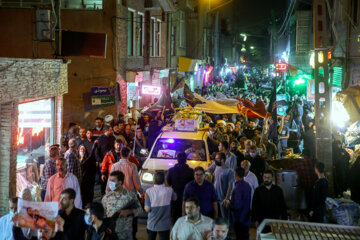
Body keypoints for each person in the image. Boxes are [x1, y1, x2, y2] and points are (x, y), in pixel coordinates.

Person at [102, 171, 142, 240]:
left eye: (112, 181)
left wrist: (129, 211)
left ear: (120, 182)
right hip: (111, 233)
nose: (110, 183)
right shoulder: (106, 197)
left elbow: (140, 210)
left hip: (126, 234)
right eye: (109, 180)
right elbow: (102, 215)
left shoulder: (130, 196)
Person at [145, 172, 177, 240]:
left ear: (153, 180)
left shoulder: (148, 191)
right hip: (164, 225)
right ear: (164, 180)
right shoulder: (169, 190)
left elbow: (147, 209)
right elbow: (175, 198)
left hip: (152, 224)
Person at [167, 152, 194, 222]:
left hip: (175, 197)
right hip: (187, 197)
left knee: (175, 216)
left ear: (177, 159)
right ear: (186, 160)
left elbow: (168, 183)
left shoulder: (171, 170)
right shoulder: (190, 171)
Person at [208, 152, 234, 222]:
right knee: (215, 215)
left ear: (222, 160)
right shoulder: (216, 167)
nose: (215, 160)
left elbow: (230, 186)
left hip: (223, 199)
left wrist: (226, 198)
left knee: (224, 217)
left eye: (217, 159)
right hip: (215, 196)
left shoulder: (229, 171)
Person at [229, 168, 251, 240]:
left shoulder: (238, 187)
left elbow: (237, 206)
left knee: (240, 237)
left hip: (239, 218)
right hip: (246, 217)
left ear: (236, 175)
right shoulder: (247, 185)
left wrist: (229, 204)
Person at [96, 126, 116, 195]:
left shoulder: (113, 138)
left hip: (111, 162)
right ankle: (103, 194)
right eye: (110, 130)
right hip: (103, 162)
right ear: (106, 131)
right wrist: (100, 161)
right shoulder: (100, 139)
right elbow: (97, 151)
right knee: (103, 178)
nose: (112, 131)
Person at [80, 140, 98, 206]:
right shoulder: (77, 159)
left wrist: (94, 146)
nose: (82, 151)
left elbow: (91, 156)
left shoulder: (86, 159)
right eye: (81, 149)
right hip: (80, 180)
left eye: (83, 149)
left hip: (87, 180)